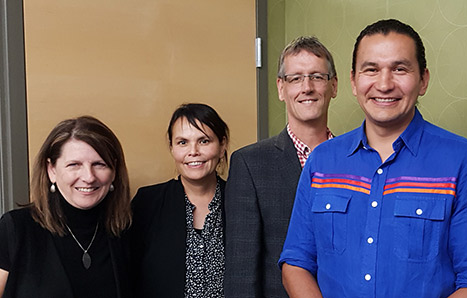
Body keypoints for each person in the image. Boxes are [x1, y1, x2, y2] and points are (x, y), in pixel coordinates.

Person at [279, 19, 467, 298]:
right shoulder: (322, 162)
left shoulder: (465, 161)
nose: (384, 83)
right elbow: (296, 262)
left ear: (423, 80)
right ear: (353, 81)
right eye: (371, 70)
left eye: (399, 69)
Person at [224, 36, 337, 298]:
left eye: (317, 77)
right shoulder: (250, 164)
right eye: (295, 78)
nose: (306, 87)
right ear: (280, 88)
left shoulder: (357, 160)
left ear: (334, 85)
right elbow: (242, 272)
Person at [0, 116, 132, 298]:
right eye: (74, 165)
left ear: (114, 170)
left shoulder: (127, 231)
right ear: (51, 170)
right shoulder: (15, 229)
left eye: (99, 164)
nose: (89, 176)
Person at [130, 103, 229, 298]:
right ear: (172, 147)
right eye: (182, 142)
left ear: (222, 145)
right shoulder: (147, 203)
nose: (193, 151)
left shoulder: (241, 200)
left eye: (204, 141)